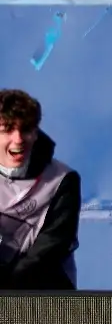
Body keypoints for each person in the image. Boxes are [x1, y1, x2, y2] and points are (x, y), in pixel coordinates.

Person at [0, 89, 80, 291]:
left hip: (42, 294)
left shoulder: (63, 180)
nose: (18, 139)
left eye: (26, 129)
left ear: (36, 133)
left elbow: (51, 248)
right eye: (7, 129)